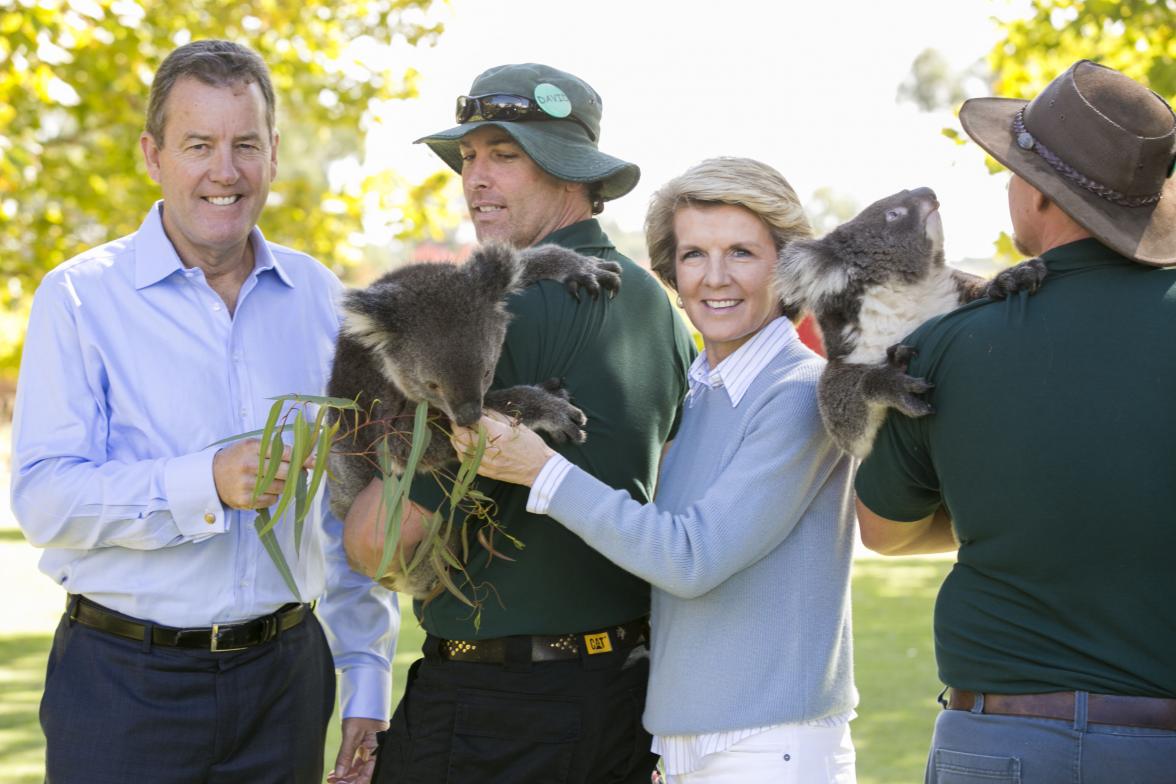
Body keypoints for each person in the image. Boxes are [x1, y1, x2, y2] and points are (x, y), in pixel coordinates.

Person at [10, 40, 396, 784]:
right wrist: (207, 482)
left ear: (274, 154)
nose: (226, 171)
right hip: (121, 689)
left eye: (245, 145)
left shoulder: (325, 302)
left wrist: (366, 680)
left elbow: (353, 512)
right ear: (153, 155)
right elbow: (46, 500)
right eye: (199, 145)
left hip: (287, 686)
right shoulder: (80, 298)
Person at [341, 63, 696, 782]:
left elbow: (381, 543)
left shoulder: (491, 319)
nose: (476, 177)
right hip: (623, 699)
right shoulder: (658, 310)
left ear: (571, 172)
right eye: (469, 157)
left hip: (496, 713)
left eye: (505, 156)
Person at [453, 157, 859, 783]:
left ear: (789, 265)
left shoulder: (800, 394)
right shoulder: (699, 393)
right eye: (694, 254)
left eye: (742, 253)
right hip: (686, 745)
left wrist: (543, 472)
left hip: (769, 748)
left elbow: (690, 558)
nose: (714, 278)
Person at [855, 59, 1176, 782]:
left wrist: (1002, 517)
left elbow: (883, 530)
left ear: (1039, 194)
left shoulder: (946, 346)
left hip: (1003, 743)